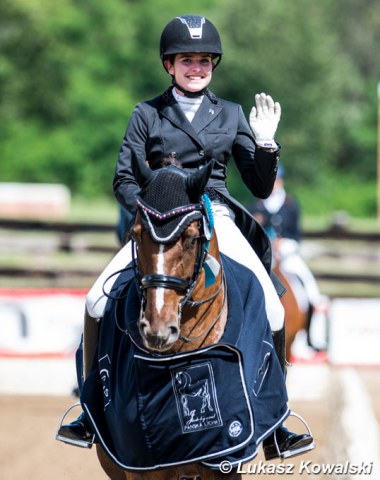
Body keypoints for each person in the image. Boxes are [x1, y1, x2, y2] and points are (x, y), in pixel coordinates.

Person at [57, 14, 314, 459]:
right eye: (186, 60)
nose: (196, 67)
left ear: (212, 64)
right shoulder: (146, 114)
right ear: (169, 65)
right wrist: (151, 212)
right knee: (96, 298)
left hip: (214, 213)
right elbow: (123, 179)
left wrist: (267, 147)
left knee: (273, 304)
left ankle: (276, 419)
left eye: (203, 60)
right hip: (159, 219)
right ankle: (90, 409)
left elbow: (257, 184)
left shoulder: (230, 113)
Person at [250, 164, 329, 354]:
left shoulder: (291, 205)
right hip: (263, 257)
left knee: (312, 291)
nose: (274, 184)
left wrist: (283, 245)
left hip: (288, 256)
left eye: (277, 180)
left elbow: (296, 236)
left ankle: (313, 337)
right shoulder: (256, 206)